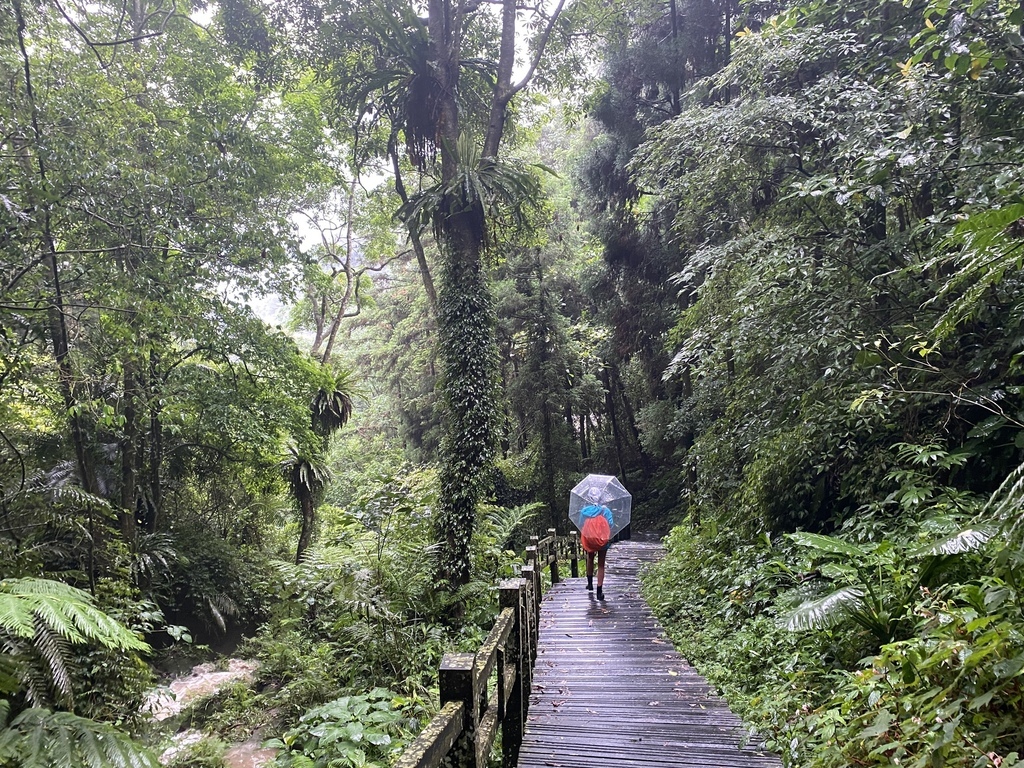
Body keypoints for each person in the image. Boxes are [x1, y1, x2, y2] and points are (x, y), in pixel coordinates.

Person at [579, 494, 613, 601]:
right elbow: (611, 524)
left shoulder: (585, 511)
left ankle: (590, 584)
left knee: (590, 558)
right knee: (601, 564)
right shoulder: (605, 511)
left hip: (589, 539)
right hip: (602, 540)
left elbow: (580, 524)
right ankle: (599, 591)